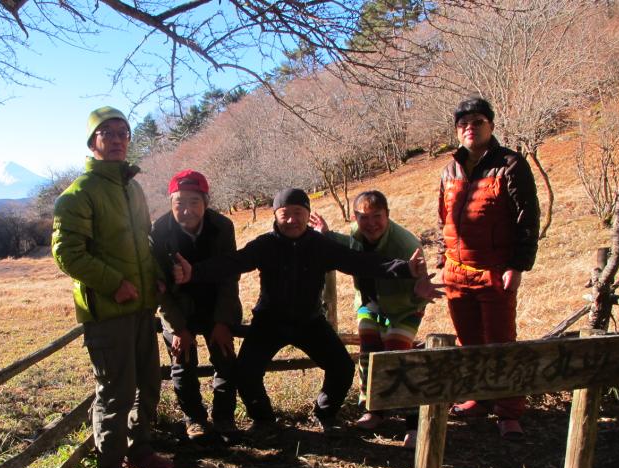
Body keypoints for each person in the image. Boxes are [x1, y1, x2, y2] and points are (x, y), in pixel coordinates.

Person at [174, 188, 441, 436]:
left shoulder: (319, 244)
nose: (292, 220)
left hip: (309, 321)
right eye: (285, 214)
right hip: (270, 320)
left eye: (298, 213)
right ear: (275, 216)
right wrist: (194, 272)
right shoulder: (265, 244)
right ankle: (263, 419)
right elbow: (233, 262)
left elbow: (359, 261)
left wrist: (405, 269)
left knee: (342, 367)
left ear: (307, 214)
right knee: (245, 371)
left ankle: (325, 414)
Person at [52, 106, 174, 468]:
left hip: (140, 307)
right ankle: (110, 466)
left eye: (123, 133)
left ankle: (141, 451)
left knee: (149, 384)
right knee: (117, 389)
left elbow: (144, 241)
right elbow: (67, 254)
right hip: (107, 310)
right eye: (109, 134)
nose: (119, 140)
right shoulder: (77, 195)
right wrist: (114, 284)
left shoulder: (132, 187)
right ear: (93, 143)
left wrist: (156, 278)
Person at [437, 97, 540, 439]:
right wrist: (443, 258)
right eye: (464, 123)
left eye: (477, 121)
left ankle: (509, 410)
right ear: (457, 130)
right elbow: (444, 218)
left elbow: (528, 218)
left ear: (491, 126)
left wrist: (518, 264)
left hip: (495, 270)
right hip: (456, 271)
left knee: (500, 343)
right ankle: (478, 397)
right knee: (469, 342)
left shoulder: (510, 164)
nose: (470, 128)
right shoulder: (449, 169)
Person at [309, 190, 427, 448]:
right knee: (369, 353)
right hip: (370, 303)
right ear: (355, 217)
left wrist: (419, 293)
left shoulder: (405, 244)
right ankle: (375, 410)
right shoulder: (355, 233)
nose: (371, 223)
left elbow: (423, 283)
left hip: (405, 306)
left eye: (377, 216)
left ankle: (414, 421)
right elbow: (348, 248)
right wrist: (327, 236)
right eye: (364, 217)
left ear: (388, 215)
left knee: (397, 354)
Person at [150, 170, 243, 443]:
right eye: (179, 202)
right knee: (183, 362)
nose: (187, 210)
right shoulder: (159, 230)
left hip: (216, 302)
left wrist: (223, 322)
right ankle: (195, 419)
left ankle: (224, 417)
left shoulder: (222, 227)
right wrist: (178, 328)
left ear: (206, 202)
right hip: (178, 306)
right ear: (170, 202)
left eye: (194, 202)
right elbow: (160, 288)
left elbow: (229, 275)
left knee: (225, 359)